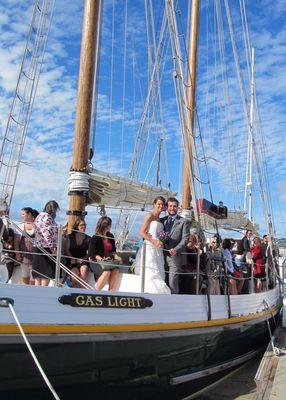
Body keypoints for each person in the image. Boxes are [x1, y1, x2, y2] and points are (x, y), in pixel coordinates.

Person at [138, 196, 171, 294]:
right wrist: (154, 241)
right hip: (150, 247)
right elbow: (142, 232)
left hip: (158, 248)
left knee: (159, 270)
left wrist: (162, 239)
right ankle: (151, 291)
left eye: (162, 204)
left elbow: (158, 233)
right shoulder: (150, 216)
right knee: (152, 270)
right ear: (154, 204)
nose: (160, 206)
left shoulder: (160, 220)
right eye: (159, 204)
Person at [160, 197, 190, 294]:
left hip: (175, 256)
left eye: (174, 206)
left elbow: (185, 239)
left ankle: (173, 302)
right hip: (161, 255)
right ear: (167, 207)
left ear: (178, 207)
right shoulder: (162, 220)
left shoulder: (183, 221)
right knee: (162, 281)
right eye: (170, 206)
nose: (172, 208)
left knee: (172, 282)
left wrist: (176, 249)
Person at [88, 216, 120, 291]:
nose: (110, 227)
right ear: (105, 226)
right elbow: (93, 254)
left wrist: (112, 256)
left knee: (116, 271)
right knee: (107, 272)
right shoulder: (95, 237)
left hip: (108, 262)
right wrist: (103, 259)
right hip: (96, 261)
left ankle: (111, 293)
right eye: (109, 225)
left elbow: (113, 250)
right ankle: (96, 292)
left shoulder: (110, 236)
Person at [32, 200, 59, 286]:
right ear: (52, 209)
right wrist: (53, 249)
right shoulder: (47, 218)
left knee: (38, 276)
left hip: (38, 247)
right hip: (47, 248)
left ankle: (36, 295)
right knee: (45, 275)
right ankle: (43, 295)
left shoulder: (39, 216)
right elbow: (47, 234)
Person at [14, 207, 38, 284]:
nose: (22, 216)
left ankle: (32, 292)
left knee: (34, 276)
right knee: (25, 275)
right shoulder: (20, 226)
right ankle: (26, 290)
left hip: (36, 255)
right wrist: (17, 254)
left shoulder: (37, 225)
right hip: (24, 255)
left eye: (23, 214)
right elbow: (16, 242)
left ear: (29, 214)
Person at [65, 218, 90, 287]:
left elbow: (89, 252)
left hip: (83, 259)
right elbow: (66, 249)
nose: (84, 226)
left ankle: (82, 290)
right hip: (72, 259)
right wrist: (72, 258)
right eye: (82, 225)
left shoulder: (88, 238)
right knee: (74, 272)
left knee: (84, 269)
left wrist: (83, 259)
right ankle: (74, 288)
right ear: (77, 226)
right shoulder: (70, 237)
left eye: (85, 225)